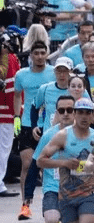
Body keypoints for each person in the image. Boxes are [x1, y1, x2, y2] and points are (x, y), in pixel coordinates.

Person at [36, 99, 94, 223]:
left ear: (92, 116)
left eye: (88, 113)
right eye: (80, 113)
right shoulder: (63, 135)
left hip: (89, 195)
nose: (84, 117)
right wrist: (64, 163)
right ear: (75, 114)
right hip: (67, 196)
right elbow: (40, 161)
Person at [13, 40, 55, 219]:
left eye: (42, 53)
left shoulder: (54, 72)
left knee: (49, 166)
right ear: (30, 56)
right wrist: (16, 117)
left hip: (49, 125)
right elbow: (16, 96)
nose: (39, 56)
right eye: (35, 53)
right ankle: (25, 205)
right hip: (27, 124)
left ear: (46, 54)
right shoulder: (22, 74)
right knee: (27, 164)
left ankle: (52, 203)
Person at [31, 94, 75, 223]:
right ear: (57, 113)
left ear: (75, 112)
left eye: (70, 110)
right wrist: (28, 194)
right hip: (53, 188)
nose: (65, 113)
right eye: (62, 111)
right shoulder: (48, 134)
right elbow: (35, 164)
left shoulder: (86, 133)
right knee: (52, 219)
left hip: (78, 188)